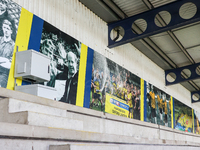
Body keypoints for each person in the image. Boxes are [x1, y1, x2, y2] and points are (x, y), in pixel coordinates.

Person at [0, 17, 15, 88]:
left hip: (4, 73)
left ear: (11, 31)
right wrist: (5, 59)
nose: (6, 30)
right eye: (4, 28)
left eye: (8, 29)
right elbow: (7, 60)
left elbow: (10, 64)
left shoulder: (13, 45)